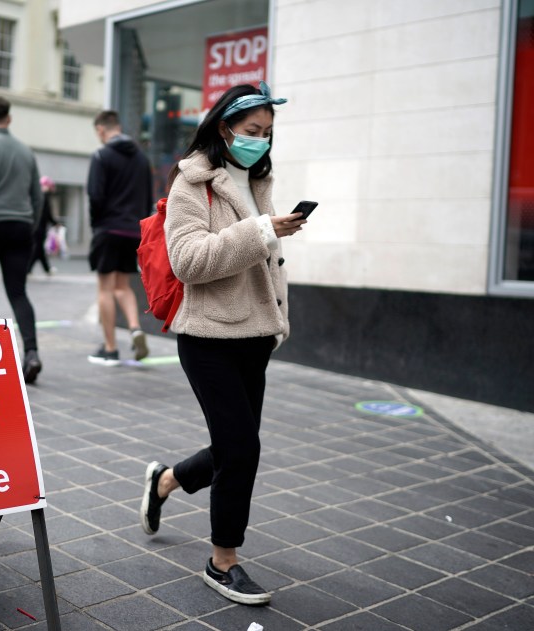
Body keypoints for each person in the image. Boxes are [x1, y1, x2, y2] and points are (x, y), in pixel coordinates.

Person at [139, 82, 306, 606]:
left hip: (255, 334)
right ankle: (222, 561)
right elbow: (190, 261)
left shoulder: (258, 180)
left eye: (268, 133)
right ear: (223, 128)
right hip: (207, 335)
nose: (260, 141)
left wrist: (273, 241)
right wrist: (262, 231)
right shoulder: (194, 184)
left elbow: (261, 257)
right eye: (252, 132)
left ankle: (165, 481)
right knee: (242, 449)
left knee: (233, 446)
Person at [0, 96, 44, 384]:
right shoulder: (26, 152)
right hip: (20, 226)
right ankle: (31, 353)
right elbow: (37, 197)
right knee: (18, 293)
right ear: (9, 118)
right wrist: (30, 224)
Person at [86, 110, 153, 365]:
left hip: (108, 229)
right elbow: (147, 196)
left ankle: (110, 348)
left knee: (105, 288)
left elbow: (95, 195)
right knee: (122, 286)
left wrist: (97, 225)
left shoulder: (101, 155)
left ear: (102, 130)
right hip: (132, 231)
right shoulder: (141, 158)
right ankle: (135, 327)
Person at [29, 175, 60, 275]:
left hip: (35, 225)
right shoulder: (44, 196)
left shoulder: (36, 195)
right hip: (40, 227)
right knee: (38, 248)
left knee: (38, 248)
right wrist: (54, 222)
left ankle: (46, 269)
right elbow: (47, 212)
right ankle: (29, 269)